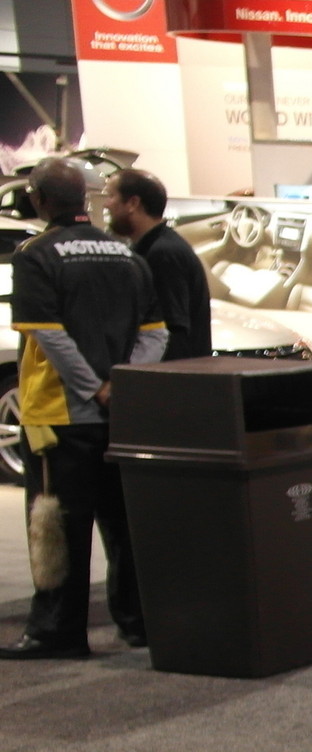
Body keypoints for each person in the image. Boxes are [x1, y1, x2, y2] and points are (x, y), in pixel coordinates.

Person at [3, 160, 167, 659]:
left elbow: (48, 337)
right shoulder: (126, 253)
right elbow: (155, 333)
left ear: (38, 201)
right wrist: (122, 385)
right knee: (122, 524)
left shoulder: (35, 255)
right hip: (120, 419)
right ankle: (137, 623)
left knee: (56, 525)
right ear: (86, 201)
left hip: (59, 417)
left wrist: (93, 388)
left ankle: (57, 630)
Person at [107, 168, 210, 362]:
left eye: (111, 196)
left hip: (172, 381)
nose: (107, 204)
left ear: (133, 203)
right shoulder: (157, 248)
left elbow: (173, 329)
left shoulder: (163, 254)